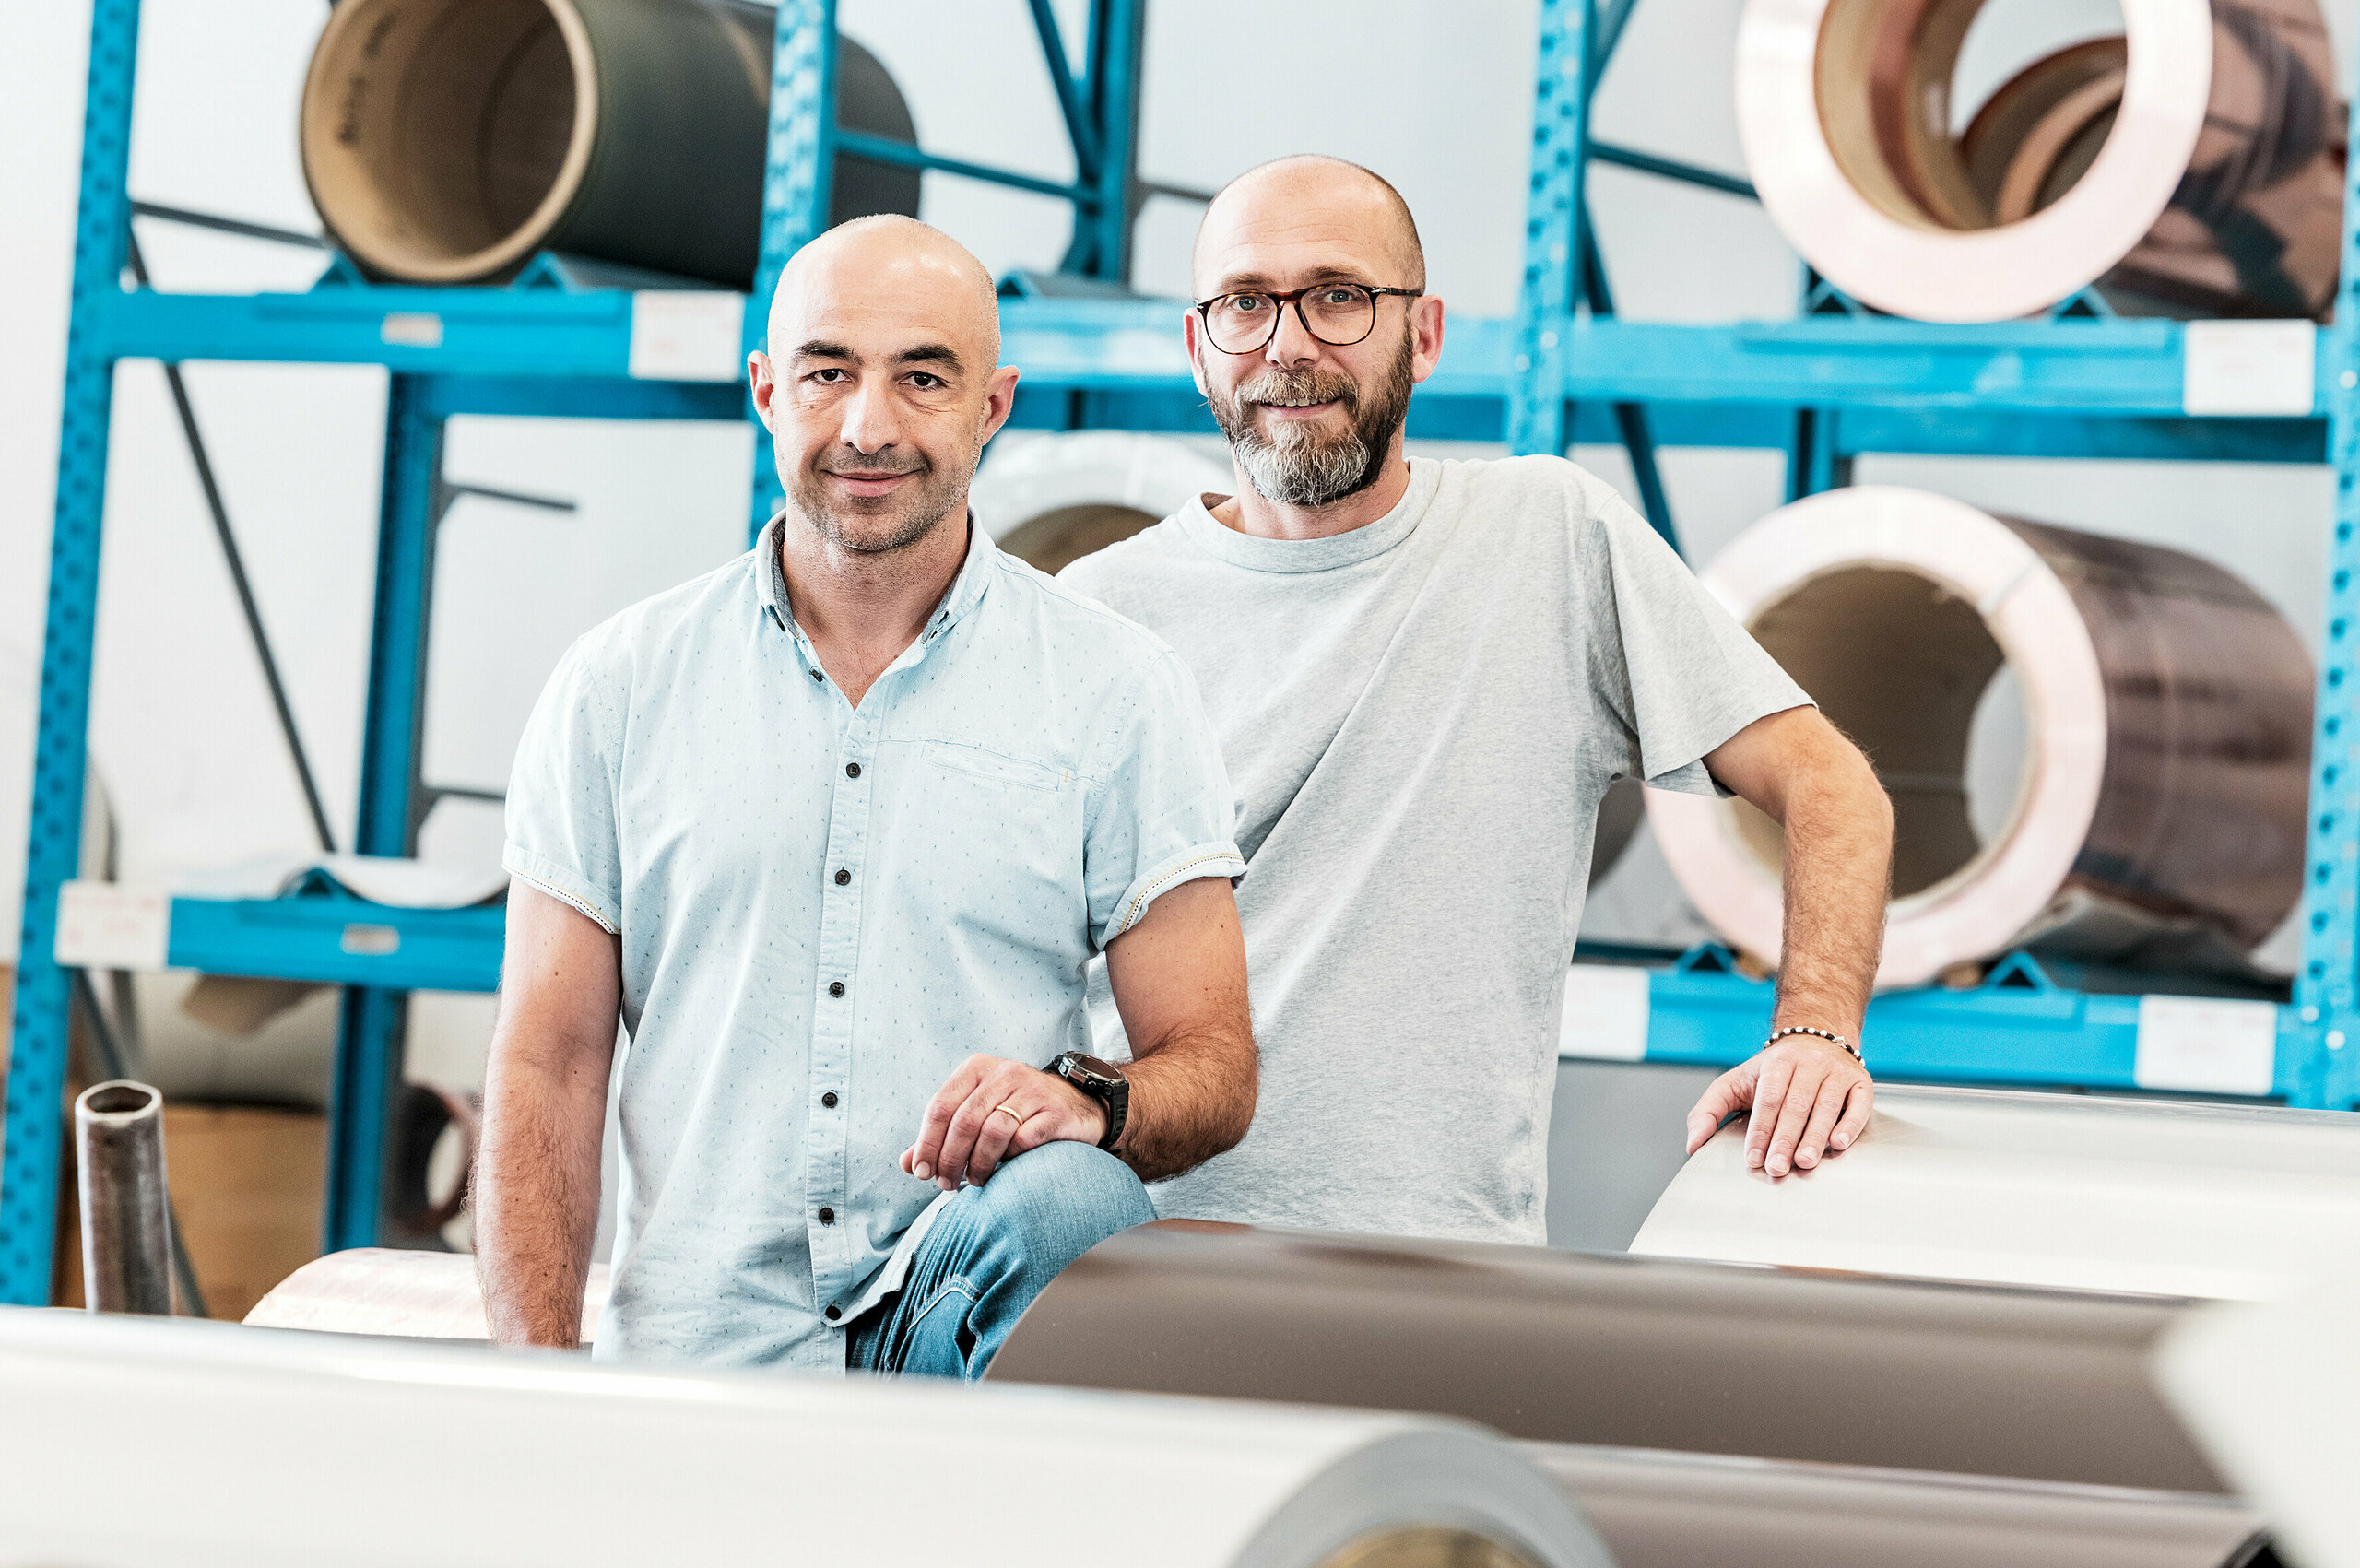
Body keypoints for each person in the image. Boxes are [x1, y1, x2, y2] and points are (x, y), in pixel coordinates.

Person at [1061, 157, 1893, 1244]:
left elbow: (1832, 786)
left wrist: (1817, 1031)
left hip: (1444, 1266)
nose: (1288, 343)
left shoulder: (1547, 537)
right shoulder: (1098, 615)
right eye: (1245, 304)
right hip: (1131, 1260)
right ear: (1197, 346)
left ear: (1426, 333)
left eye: (1339, 297)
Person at [476, 216, 1257, 1372]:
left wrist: (1090, 1105)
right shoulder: (620, 687)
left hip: (960, 1331)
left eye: (923, 377)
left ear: (992, 408)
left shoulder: (1114, 691)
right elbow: (549, 1063)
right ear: (765, 391)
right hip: (700, 1355)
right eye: (828, 372)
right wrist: (533, 1390)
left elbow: (1213, 1061)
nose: (868, 425)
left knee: (1072, 1200)